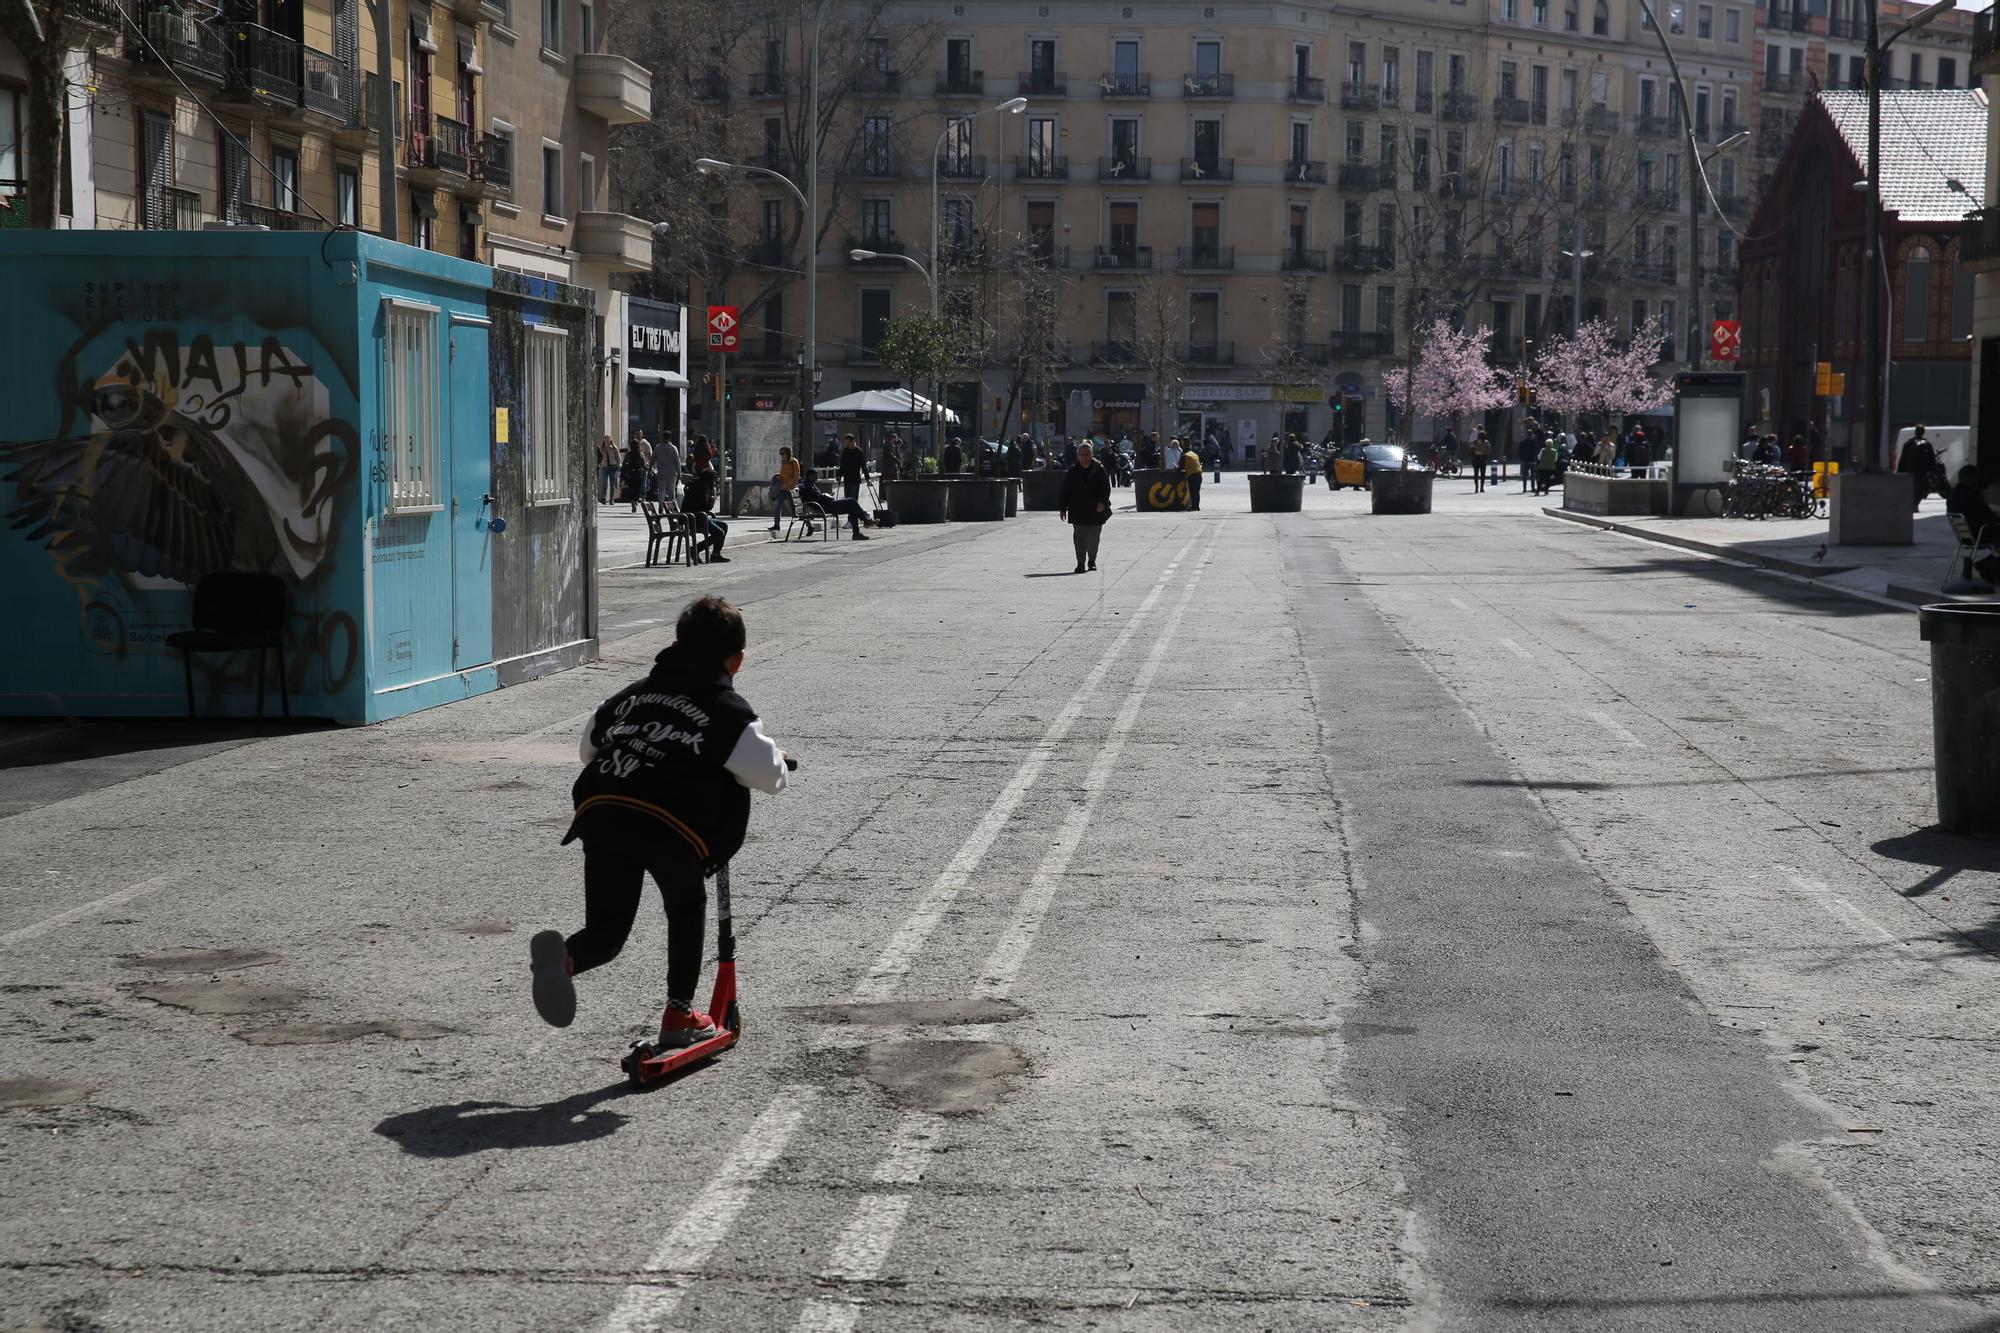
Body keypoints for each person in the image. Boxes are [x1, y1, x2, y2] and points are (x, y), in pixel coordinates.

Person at [528, 595, 790, 1046]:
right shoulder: (728, 710)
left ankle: (566, 958)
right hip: (668, 823)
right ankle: (679, 1014)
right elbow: (768, 777)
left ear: (677, 644)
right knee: (685, 907)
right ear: (738, 660)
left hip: (603, 808)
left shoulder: (636, 693)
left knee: (606, 932)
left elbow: (589, 745)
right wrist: (781, 761)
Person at [1058, 441, 1112, 573]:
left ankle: (1092, 560)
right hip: (1078, 509)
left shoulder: (1099, 469)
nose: (1085, 457)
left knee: (1093, 539)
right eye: (1082, 455)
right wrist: (1062, 508)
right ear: (1078, 456)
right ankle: (1080, 563)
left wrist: (1102, 503)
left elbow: (1106, 488)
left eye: (1087, 454)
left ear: (1092, 455)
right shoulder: (1072, 471)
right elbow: (1065, 490)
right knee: (1079, 539)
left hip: (1096, 510)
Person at [1947, 466, 2000, 583]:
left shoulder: (1953, 496)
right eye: (1977, 477)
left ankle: (1989, 565)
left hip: (1966, 536)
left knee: (1998, 546)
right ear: (1972, 478)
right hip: (1981, 533)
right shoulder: (1972, 496)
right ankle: (1986, 565)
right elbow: (1990, 518)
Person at [798, 467, 871, 539]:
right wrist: (824, 497)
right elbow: (814, 496)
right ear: (811, 476)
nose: (817, 478)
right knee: (852, 501)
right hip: (824, 507)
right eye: (815, 476)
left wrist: (826, 496)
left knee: (852, 507)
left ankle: (857, 533)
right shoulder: (806, 485)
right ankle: (865, 521)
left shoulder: (810, 484)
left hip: (826, 504)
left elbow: (816, 496)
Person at [681, 456, 729, 562]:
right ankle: (696, 549)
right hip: (694, 518)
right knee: (719, 533)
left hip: (695, 516)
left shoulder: (699, 485)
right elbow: (704, 507)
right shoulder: (702, 488)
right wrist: (712, 500)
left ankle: (716, 554)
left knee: (723, 525)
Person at [1900, 425, 1938, 512]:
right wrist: (1932, 471)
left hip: (1910, 471)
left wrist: (1901, 471)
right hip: (1922, 472)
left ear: (1915, 432)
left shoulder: (1908, 443)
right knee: (1921, 489)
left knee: (1911, 488)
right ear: (1923, 432)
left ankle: (1911, 504)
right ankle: (1915, 504)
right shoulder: (1927, 444)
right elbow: (1931, 459)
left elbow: (1903, 458)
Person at [766, 445, 801, 533]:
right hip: (783, 488)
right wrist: (779, 476)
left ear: (788, 453)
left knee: (795, 512)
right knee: (777, 504)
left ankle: (809, 525)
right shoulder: (783, 462)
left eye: (783, 453)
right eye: (780, 454)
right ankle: (776, 525)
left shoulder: (794, 462)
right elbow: (783, 474)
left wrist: (787, 485)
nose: (781, 455)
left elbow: (796, 477)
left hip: (789, 488)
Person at [838, 432, 867, 503]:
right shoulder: (845, 451)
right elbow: (842, 464)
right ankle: (849, 513)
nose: (847, 445)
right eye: (846, 443)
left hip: (855, 479)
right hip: (847, 478)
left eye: (848, 443)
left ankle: (853, 513)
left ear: (853, 441)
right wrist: (839, 475)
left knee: (853, 499)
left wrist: (867, 478)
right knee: (847, 499)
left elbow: (863, 465)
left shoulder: (859, 452)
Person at [654, 434, 682, 504]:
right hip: (671, 472)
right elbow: (677, 461)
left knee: (661, 490)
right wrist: (679, 472)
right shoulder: (673, 448)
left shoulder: (657, 448)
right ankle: (671, 506)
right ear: (670, 438)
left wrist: (651, 468)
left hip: (661, 471)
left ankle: (661, 505)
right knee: (671, 490)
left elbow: (652, 459)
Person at [1181, 436, 1205, 510]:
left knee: (1192, 491)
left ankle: (1193, 506)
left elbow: (1180, 467)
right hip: (1199, 475)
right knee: (1196, 492)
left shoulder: (1185, 455)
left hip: (1192, 475)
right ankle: (1196, 506)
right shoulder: (1194, 454)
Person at [598, 435, 621, 504]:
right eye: (606, 439)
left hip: (612, 467)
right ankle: (604, 497)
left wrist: (618, 465)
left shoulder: (614, 448)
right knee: (604, 483)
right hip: (604, 467)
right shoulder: (602, 449)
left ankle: (611, 498)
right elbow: (599, 457)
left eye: (608, 439)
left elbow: (617, 457)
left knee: (612, 483)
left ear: (611, 440)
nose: (607, 441)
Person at [1518, 427, 1540, 493]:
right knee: (1533, 476)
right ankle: (1533, 488)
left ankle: (1524, 488)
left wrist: (1522, 458)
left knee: (1524, 475)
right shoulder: (1534, 442)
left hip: (1525, 460)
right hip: (1532, 460)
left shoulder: (1522, 443)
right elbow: (1537, 451)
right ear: (1532, 434)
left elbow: (1520, 452)